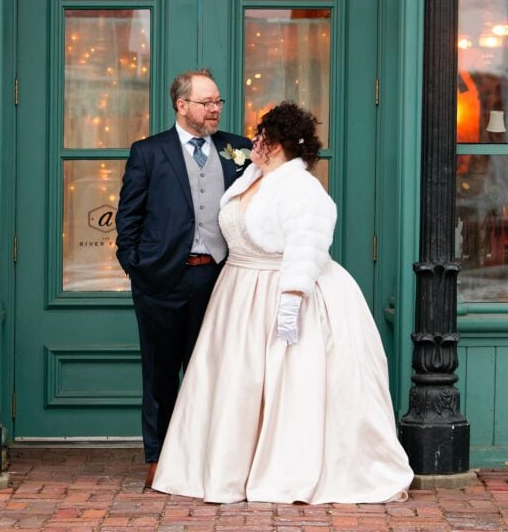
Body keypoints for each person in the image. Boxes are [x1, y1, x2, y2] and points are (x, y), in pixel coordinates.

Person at [152, 101, 414, 504]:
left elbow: (306, 245)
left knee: (287, 382)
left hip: (280, 288)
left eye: (261, 136)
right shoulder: (254, 176)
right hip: (239, 292)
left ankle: (285, 470)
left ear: (275, 143)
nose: (254, 142)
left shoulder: (302, 187)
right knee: (237, 382)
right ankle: (226, 468)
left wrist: (291, 300)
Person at [115, 68, 251, 488]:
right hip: (163, 281)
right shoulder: (148, 152)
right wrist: (139, 267)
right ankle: (158, 458)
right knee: (160, 373)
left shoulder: (239, 149)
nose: (215, 110)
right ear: (182, 105)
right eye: (207, 103)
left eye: (218, 102)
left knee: (212, 370)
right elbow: (129, 220)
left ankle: (207, 456)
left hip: (219, 278)